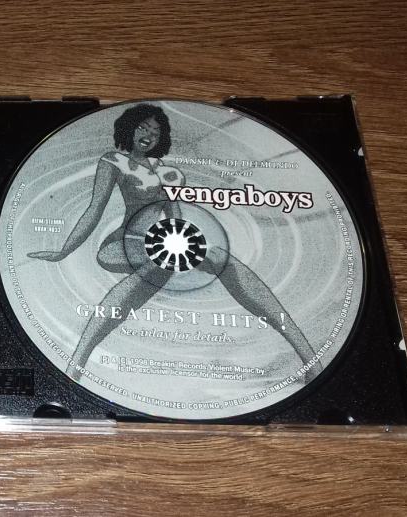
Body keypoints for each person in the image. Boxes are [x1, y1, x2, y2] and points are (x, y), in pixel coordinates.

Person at [28, 104, 320, 382]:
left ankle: (310, 359)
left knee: (221, 258)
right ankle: (75, 366)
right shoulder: (113, 161)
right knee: (155, 266)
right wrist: (63, 251)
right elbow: (95, 208)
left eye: (155, 132)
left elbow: (175, 218)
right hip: (124, 243)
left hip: (163, 245)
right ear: (129, 128)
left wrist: (192, 253)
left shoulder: (169, 173)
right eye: (143, 128)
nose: (148, 135)